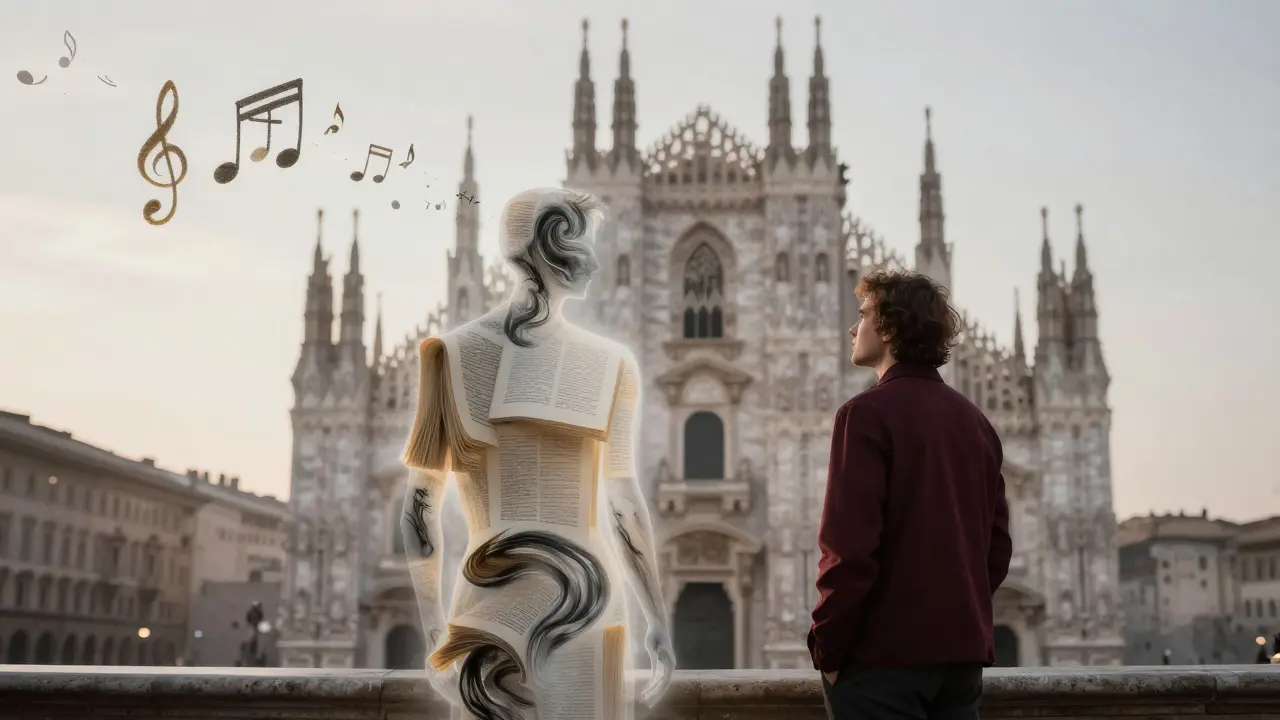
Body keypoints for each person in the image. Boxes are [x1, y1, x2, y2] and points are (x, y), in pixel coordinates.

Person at [401, 187, 675, 719]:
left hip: (488, 599)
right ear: (551, 242)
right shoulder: (612, 362)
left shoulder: (449, 352)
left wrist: (436, 632)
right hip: (585, 603)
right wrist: (657, 621)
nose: (596, 260)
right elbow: (623, 506)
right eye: (586, 243)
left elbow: (418, 510)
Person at [809, 269, 1013, 720]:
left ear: (889, 328)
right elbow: (996, 549)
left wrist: (828, 646)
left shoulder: (864, 415)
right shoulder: (975, 422)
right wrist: (957, 613)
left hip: (881, 662)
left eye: (862, 315)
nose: (852, 327)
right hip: (960, 662)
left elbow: (848, 549)